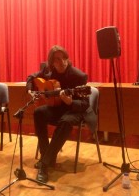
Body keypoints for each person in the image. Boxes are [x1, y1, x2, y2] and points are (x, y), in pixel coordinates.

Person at [26, 45, 95, 183]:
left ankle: (45, 164)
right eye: (57, 59)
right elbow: (31, 77)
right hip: (57, 107)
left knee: (65, 121)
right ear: (51, 62)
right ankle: (46, 154)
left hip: (74, 110)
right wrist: (30, 90)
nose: (62, 61)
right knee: (39, 112)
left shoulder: (78, 76)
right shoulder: (48, 71)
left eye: (64, 58)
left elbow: (85, 104)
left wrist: (70, 102)